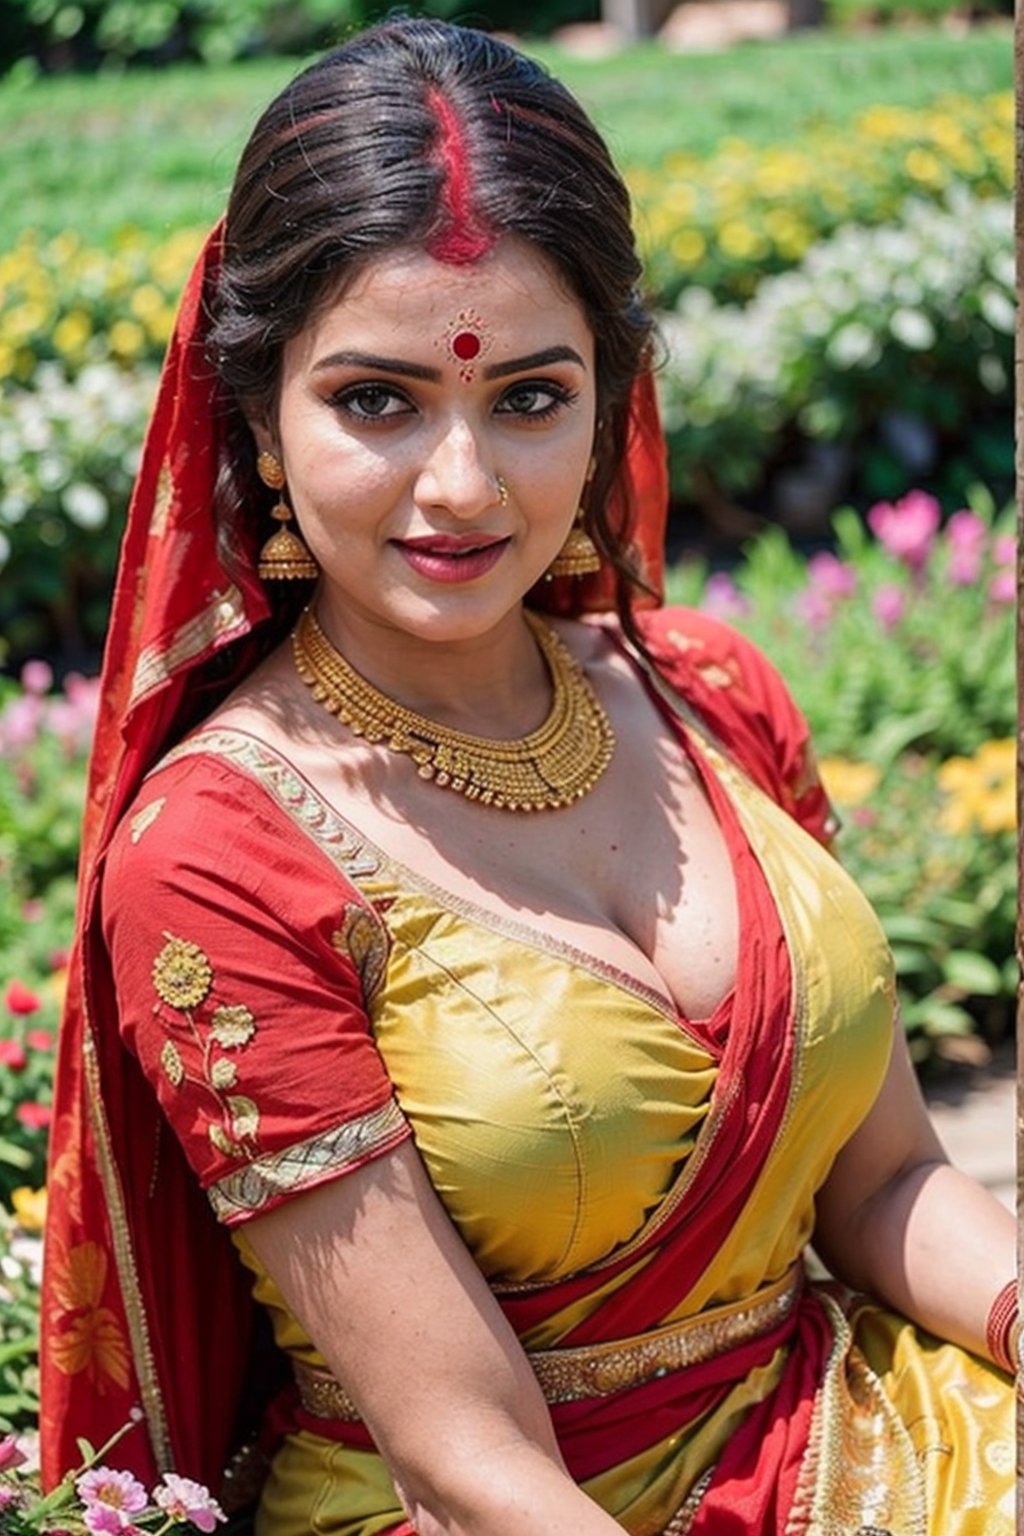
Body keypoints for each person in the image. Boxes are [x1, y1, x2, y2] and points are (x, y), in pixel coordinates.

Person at [40, 18, 1016, 1535]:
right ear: (258, 419)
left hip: (840, 1421)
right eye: (376, 400)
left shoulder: (707, 695)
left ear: (607, 394)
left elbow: (884, 1189)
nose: (463, 486)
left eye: (530, 397)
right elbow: (465, 1458)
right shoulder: (226, 853)